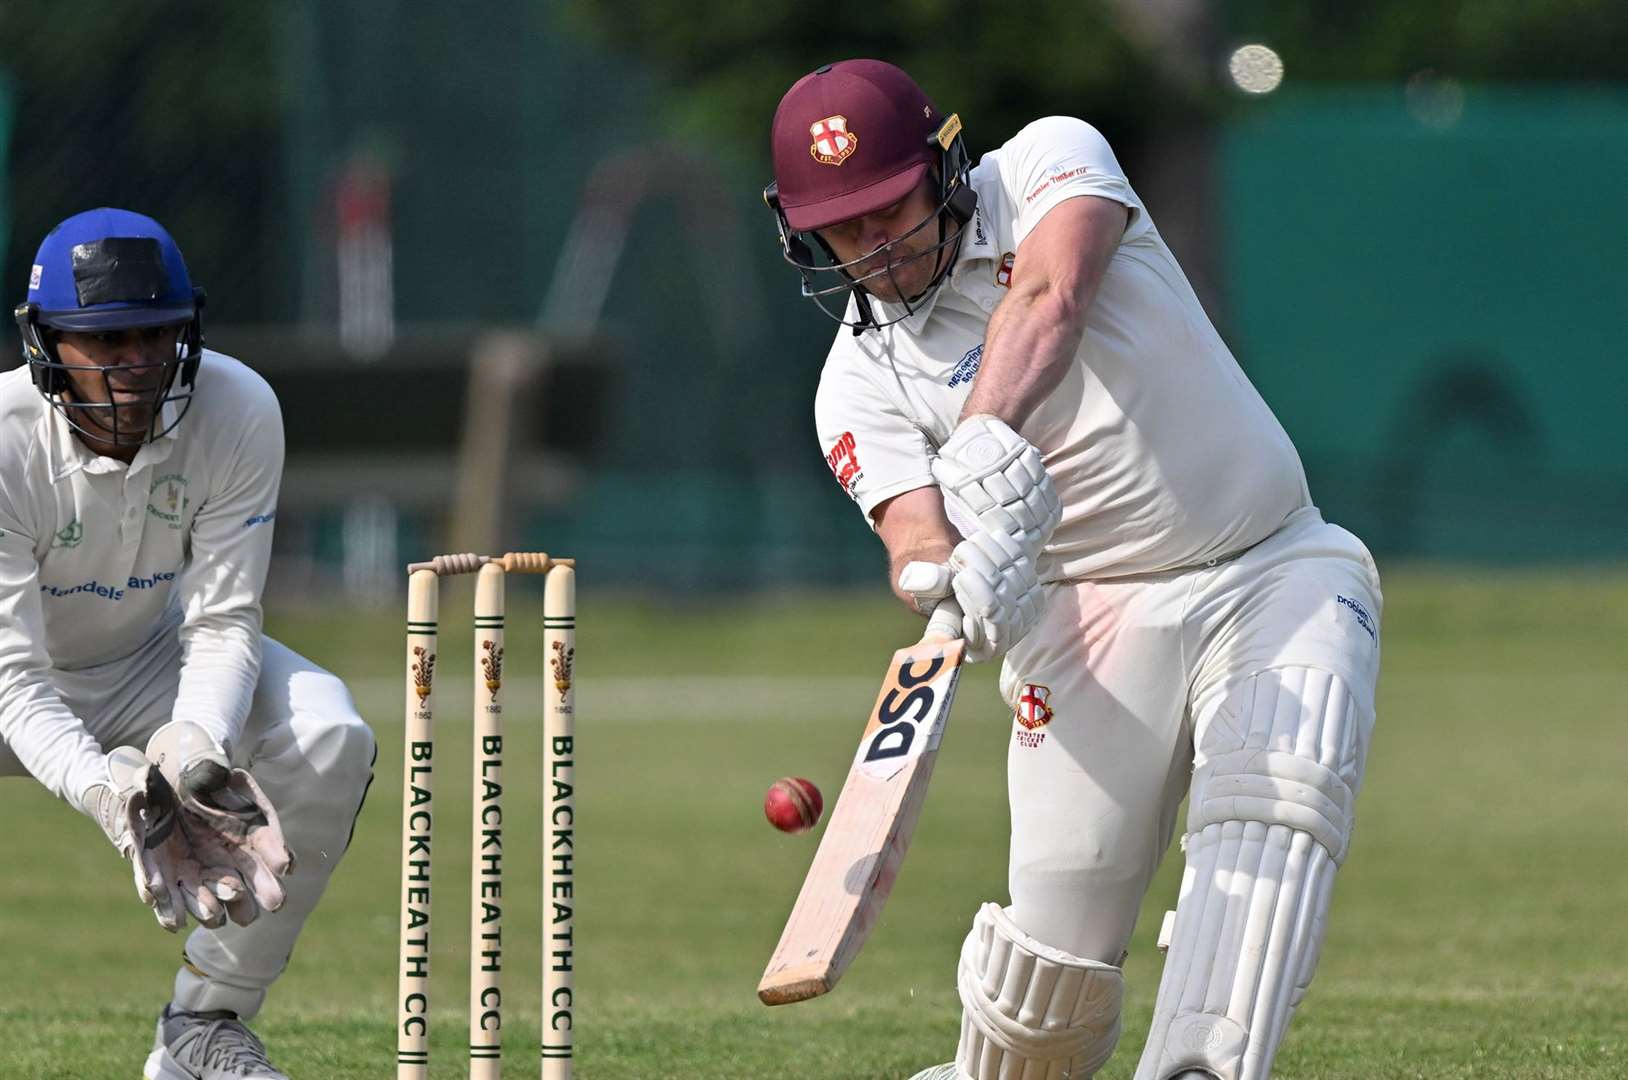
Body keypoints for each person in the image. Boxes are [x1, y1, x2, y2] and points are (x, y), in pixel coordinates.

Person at [766, 60, 1383, 1080]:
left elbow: (1052, 295)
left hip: (1268, 564)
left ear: (942, 170)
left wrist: (976, 437)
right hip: (1087, 626)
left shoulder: (1049, 162)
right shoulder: (852, 387)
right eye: (844, 227)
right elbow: (914, 537)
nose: (875, 245)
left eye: (890, 208)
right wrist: (949, 582)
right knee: (1045, 978)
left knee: (1272, 804)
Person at [1, 207, 376, 1080]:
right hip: (12, 685)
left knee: (330, 736)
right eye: (108, 339)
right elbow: (15, 681)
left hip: (146, 659)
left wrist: (192, 747)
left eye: (156, 334)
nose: (136, 362)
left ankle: (203, 1029)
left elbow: (221, 621)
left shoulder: (238, 407)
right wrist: (112, 794)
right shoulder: (7, 441)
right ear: (49, 342)